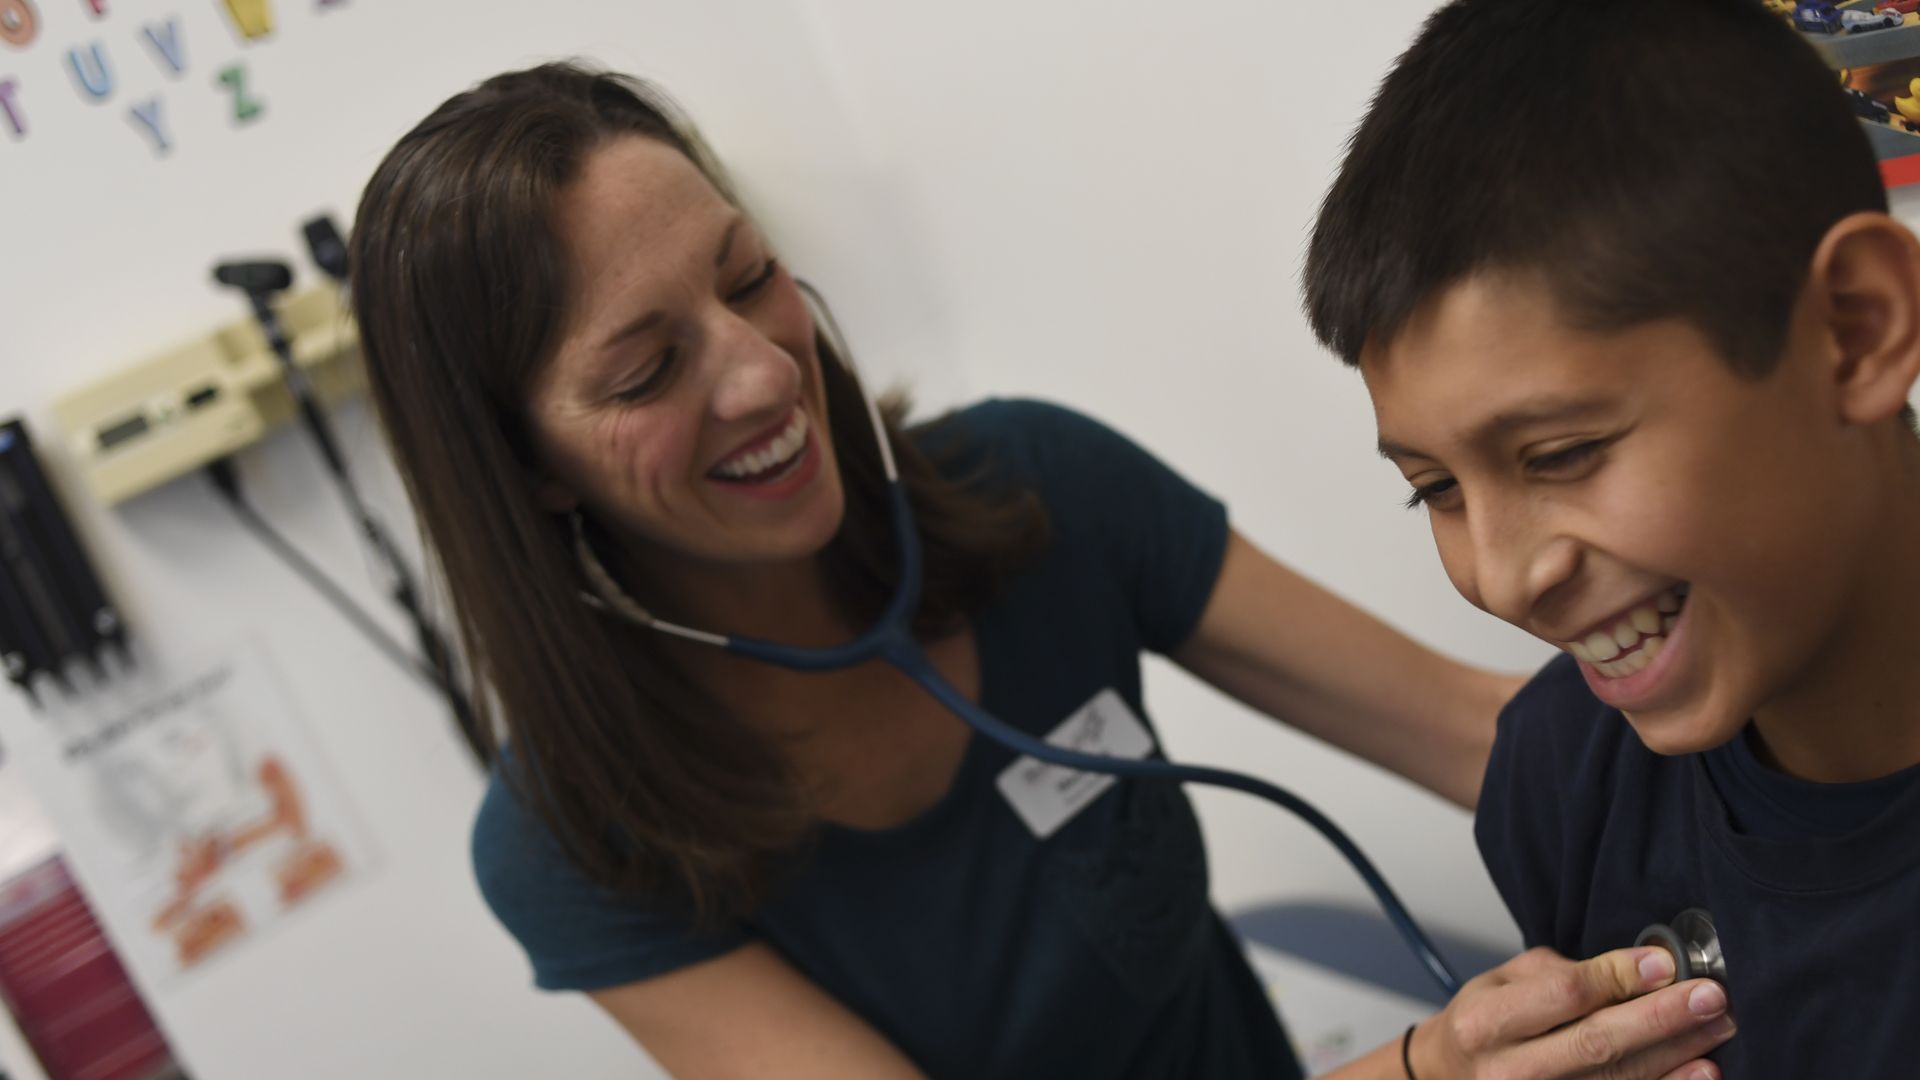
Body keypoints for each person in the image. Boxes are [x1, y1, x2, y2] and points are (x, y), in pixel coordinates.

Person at [346, 62, 1544, 1080]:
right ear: (529, 469)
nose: (764, 374)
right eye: (648, 370)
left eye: (747, 276)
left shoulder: (1036, 486)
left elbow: (1474, 735)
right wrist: (1425, 1067)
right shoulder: (573, 842)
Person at [1305, 0, 1920, 1076]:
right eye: (1435, 490)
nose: (1505, 577)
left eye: (1562, 454)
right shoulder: (1562, 778)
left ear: (1855, 331)